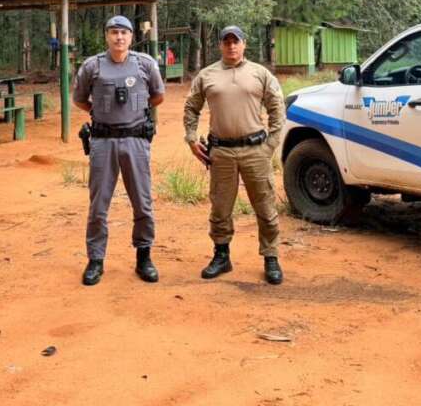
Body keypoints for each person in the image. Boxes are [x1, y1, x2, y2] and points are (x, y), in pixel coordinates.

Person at [183, 25, 286, 284]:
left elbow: (277, 108)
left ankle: (270, 256)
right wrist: (192, 138)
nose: (231, 46)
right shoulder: (207, 75)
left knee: (264, 205)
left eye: (235, 41)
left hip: (255, 151)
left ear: (244, 44)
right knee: (220, 207)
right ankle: (221, 255)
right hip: (221, 152)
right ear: (220, 45)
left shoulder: (260, 73)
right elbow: (191, 107)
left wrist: (270, 144)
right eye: (226, 42)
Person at [73, 15, 165, 286]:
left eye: (124, 33)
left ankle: (144, 256)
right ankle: (96, 260)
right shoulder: (93, 66)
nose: (119, 38)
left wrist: (137, 113)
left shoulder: (145, 64)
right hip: (103, 142)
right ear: (107, 36)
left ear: (131, 37)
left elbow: (158, 96)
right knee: (98, 205)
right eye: (113, 32)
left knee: (143, 202)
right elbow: (79, 99)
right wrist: (101, 113)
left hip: (136, 141)